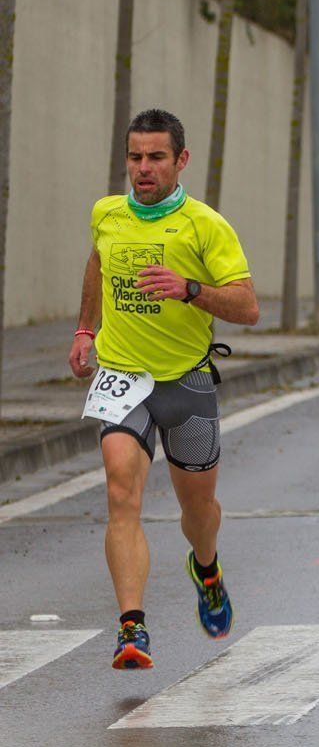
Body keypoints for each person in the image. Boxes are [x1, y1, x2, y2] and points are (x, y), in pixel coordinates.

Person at [68, 109, 260, 670]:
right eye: (134, 157)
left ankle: (206, 567)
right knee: (121, 493)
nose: (143, 168)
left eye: (156, 157)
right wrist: (86, 329)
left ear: (181, 160)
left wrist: (190, 288)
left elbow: (247, 307)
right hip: (123, 377)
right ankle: (132, 629)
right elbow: (99, 262)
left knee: (197, 509)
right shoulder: (107, 212)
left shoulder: (206, 226)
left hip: (188, 381)